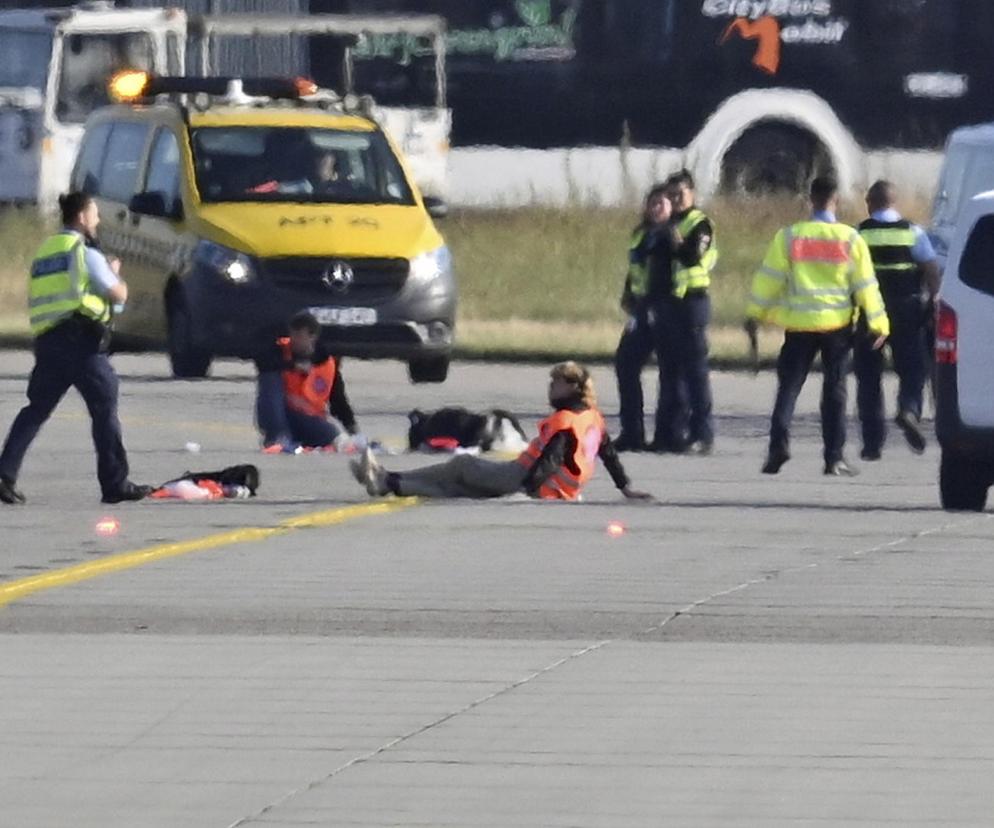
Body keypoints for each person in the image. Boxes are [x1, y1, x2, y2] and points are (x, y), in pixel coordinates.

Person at [0, 192, 151, 505]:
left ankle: (4, 475)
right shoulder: (84, 252)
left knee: (36, 409)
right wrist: (115, 273)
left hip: (48, 340)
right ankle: (115, 483)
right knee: (105, 408)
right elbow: (118, 295)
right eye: (94, 214)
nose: (96, 220)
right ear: (82, 217)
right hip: (80, 342)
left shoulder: (46, 251)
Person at [745, 175, 890, 477]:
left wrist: (755, 313)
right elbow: (865, 286)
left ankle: (778, 446)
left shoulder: (790, 236)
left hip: (799, 326)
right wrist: (879, 323)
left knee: (788, 388)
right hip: (836, 327)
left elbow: (769, 279)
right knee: (834, 393)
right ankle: (833, 458)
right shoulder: (850, 239)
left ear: (810, 199)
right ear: (836, 201)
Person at [350, 361, 652, 501]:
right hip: (555, 488)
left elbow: (549, 459)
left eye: (556, 383)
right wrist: (625, 488)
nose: (550, 387)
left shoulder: (565, 421)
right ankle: (387, 482)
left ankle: (386, 479)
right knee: (456, 488)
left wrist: (525, 491)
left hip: (525, 478)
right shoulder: (593, 418)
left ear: (571, 387)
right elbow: (609, 454)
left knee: (461, 465)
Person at [853, 180, 940, 459]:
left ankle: (872, 443)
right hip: (908, 312)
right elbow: (931, 268)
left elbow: (849, 273)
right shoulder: (912, 232)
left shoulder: (858, 235)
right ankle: (908, 409)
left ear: (870, 202)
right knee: (914, 369)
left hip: (871, 314)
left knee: (868, 377)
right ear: (894, 202)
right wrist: (933, 301)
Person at [613, 183, 681, 452]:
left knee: (669, 371)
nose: (655, 209)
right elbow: (636, 269)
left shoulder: (671, 235)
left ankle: (667, 434)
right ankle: (632, 431)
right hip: (641, 308)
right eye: (652, 203)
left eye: (661, 204)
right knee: (625, 364)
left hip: (665, 309)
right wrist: (629, 293)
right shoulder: (640, 235)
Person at [660, 169, 718, 455]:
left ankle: (702, 434)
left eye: (680, 194)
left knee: (696, 372)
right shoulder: (666, 223)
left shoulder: (700, 223)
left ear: (692, 194)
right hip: (671, 304)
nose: (676, 199)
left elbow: (693, 256)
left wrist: (676, 240)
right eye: (671, 195)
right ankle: (674, 432)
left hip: (693, 303)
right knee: (672, 371)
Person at [254, 310, 364, 452]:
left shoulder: (326, 362)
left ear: (313, 337)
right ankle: (277, 437)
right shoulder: (278, 351)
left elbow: (338, 401)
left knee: (336, 437)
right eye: (292, 334)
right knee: (270, 376)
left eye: (300, 336)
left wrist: (353, 429)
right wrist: (292, 366)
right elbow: (263, 362)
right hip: (282, 415)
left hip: (310, 420)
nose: (294, 340)